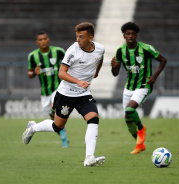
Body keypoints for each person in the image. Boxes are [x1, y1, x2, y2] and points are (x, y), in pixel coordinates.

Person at [23, 22, 106, 167]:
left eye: (81, 37)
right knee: (58, 126)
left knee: (93, 119)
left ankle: (89, 157)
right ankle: (33, 127)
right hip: (66, 94)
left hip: (84, 94)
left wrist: (96, 71)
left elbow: (100, 58)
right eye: (77, 36)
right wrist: (78, 81)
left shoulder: (100, 49)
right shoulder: (72, 50)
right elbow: (61, 73)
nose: (78, 40)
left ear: (90, 38)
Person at [111, 22, 167, 154]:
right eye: (128, 34)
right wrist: (113, 66)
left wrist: (154, 77)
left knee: (130, 109)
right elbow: (115, 73)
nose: (130, 36)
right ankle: (139, 144)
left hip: (144, 85)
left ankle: (141, 128)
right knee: (127, 119)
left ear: (136, 35)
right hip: (129, 87)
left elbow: (163, 60)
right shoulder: (120, 51)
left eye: (133, 34)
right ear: (124, 36)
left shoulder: (146, 48)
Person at [28, 31, 69, 148]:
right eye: (40, 40)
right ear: (37, 42)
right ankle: (64, 136)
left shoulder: (58, 51)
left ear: (48, 40)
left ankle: (64, 140)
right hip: (45, 92)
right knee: (54, 119)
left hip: (59, 87)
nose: (43, 41)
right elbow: (29, 73)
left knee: (54, 107)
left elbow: (69, 64)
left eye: (44, 39)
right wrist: (34, 73)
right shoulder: (33, 56)